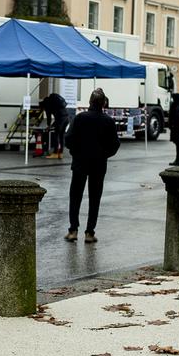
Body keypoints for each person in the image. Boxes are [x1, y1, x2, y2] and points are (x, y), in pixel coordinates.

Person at [64, 88, 120, 243]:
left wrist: (76, 152)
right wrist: (104, 155)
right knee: (95, 198)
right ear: (103, 103)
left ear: (89, 102)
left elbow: (68, 139)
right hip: (99, 165)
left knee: (75, 196)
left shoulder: (80, 118)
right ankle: (89, 232)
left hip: (80, 163)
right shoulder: (108, 121)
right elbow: (115, 144)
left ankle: (73, 230)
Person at [40, 91, 69, 159]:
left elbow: (49, 117)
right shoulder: (53, 101)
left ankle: (55, 153)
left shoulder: (47, 105)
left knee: (56, 135)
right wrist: (51, 125)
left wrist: (48, 126)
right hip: (67, 117)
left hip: (60, 118)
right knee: (62, 135)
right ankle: (60, 153)